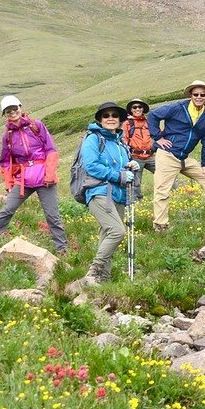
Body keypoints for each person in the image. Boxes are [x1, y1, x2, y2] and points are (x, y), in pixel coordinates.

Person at [0, 96, 67, 254]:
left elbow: (51, 150)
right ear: (4, 114)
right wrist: (9, 183)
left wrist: (50, 174)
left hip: (44, 178)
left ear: (20, 107)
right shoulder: (7, 136)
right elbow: (5, 162)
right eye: (8, 111)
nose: (12, 112)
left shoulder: (37, 126)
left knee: (52, 215)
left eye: (14, 108)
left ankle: (62, 249)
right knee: (7, 209)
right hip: (23, 180)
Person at [147, 80, 205, 231]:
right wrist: (158, 137)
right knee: (162, 190)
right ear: (191, 95)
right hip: (167, 155)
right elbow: (153, 116)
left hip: (184, 157)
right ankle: (161, 225)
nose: (199, 97)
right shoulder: (177, 107)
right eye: (196, 94)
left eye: (202, 94)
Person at [74, 102, 139, 285]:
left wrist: (130, 165)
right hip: (99, 192)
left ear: (120, 120)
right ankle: (94, 270)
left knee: (107, 235)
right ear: (100, 120)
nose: (110, 118)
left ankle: (104, 280)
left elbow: (120, 168)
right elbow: (92, 165)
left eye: (114, 115)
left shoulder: (120, 143)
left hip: (118, 195)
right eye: (106, 115)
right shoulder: (93, 139)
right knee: (117, 232)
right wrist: (118, 175)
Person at [122, 98, 155, 201]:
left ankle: (177, 193)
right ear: (131, 110)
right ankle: (138, 203)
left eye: (140, 107)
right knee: (136, 182)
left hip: (150, 156)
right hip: (135, 157)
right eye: (134, 107)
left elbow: (156, 135)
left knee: (165, 173)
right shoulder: (127, 123)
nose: (137, 109)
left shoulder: (148, 122)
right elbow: (124, 140)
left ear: (143, 109)